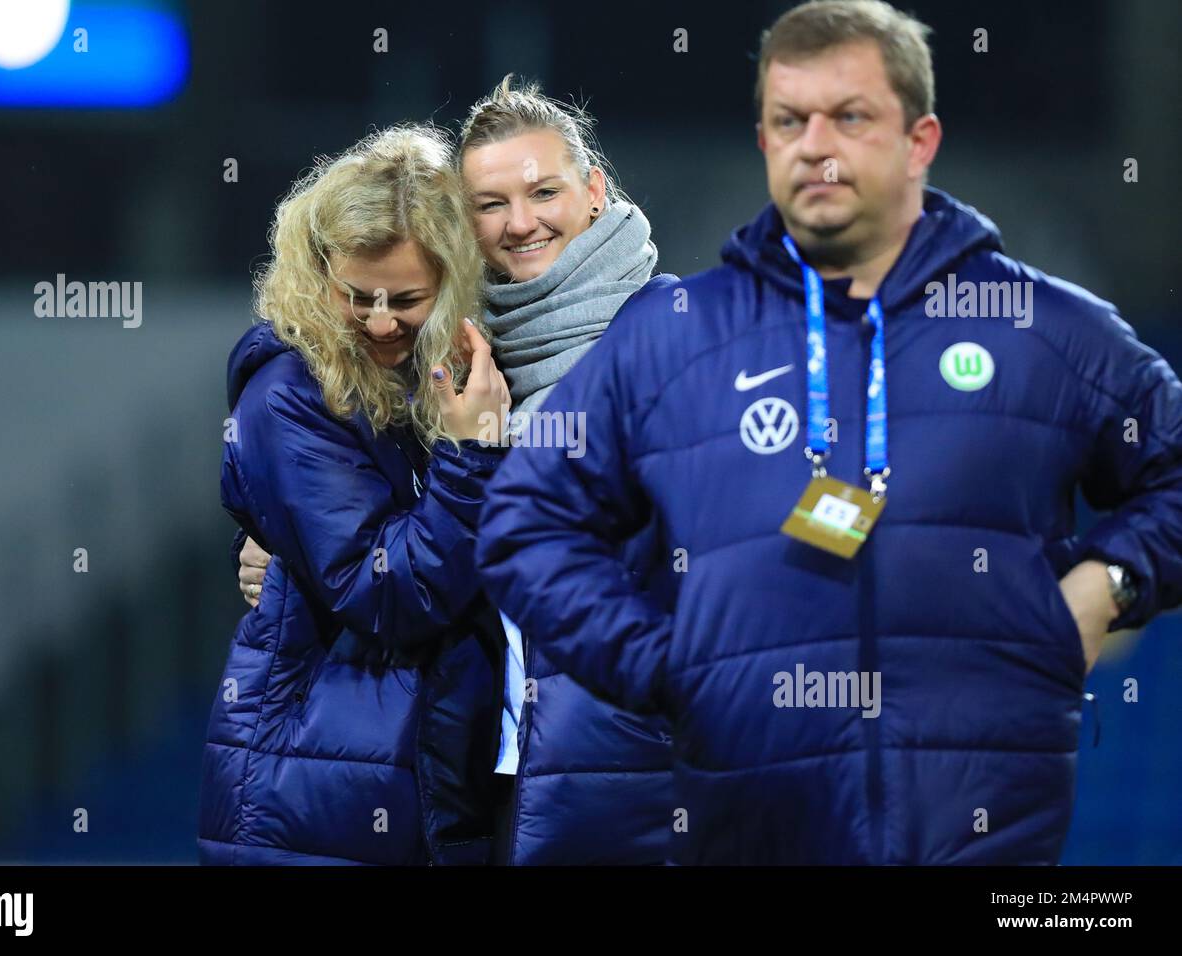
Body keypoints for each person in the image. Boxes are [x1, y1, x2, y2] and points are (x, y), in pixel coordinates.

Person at [475, 0, 1182, 865]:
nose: (815, 143)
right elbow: (523, 526)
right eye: (788, 120)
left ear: (920, 140)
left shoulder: (1040, 327)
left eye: (849, 116)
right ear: (766, 140)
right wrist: (668, 672)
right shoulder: (678, 336)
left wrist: (1103, 587)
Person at [238, 76, 678, 865]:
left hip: (643, 774)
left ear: (594, 191)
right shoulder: (459, 365)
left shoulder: (681, 337)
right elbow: (397, 555)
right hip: (498, 775)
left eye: (544, 190)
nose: (521, 223)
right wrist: (291, 556)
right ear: (461, 230)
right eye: (490, 204)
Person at [199, 124, 512, 865]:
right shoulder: (288, 394)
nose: (379, 321)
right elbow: (391, 594)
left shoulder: (440, 376)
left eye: (407, 298)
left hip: (405, 775)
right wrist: (469, 454)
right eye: (357, 296)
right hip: (315, 795)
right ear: (320, 270)